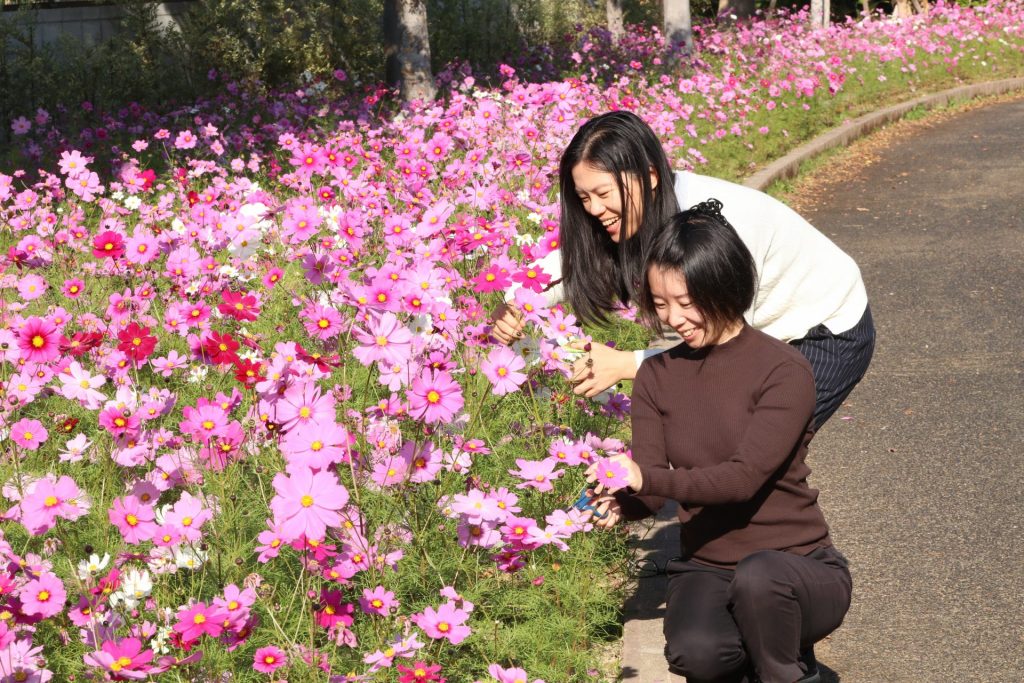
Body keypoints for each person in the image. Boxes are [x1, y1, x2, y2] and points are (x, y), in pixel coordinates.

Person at [585, 201, 852, 683]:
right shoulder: (656, 375)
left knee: (761, 582)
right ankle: (770, 652)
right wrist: (623, 502)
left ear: (724, 285)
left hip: (797, 568)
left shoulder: (783, 369)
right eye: (661, 303)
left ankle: (789, 671)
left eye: (687, 302)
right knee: (697, 655)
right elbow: (654, 488)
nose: (674, 318)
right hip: (709, 568)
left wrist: (645, 475)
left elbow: (742, 479)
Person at [491, 110, 874, 430]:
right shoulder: (635, 210)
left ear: (651, 176)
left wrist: (625, 364)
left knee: (757, 451)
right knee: (720, 451)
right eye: (583, 197)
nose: (592, 210)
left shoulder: (713, 227)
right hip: (758, 331)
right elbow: (572, 264)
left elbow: (728, 351)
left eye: (604, 194)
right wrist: (514, 304)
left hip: (824, 328)